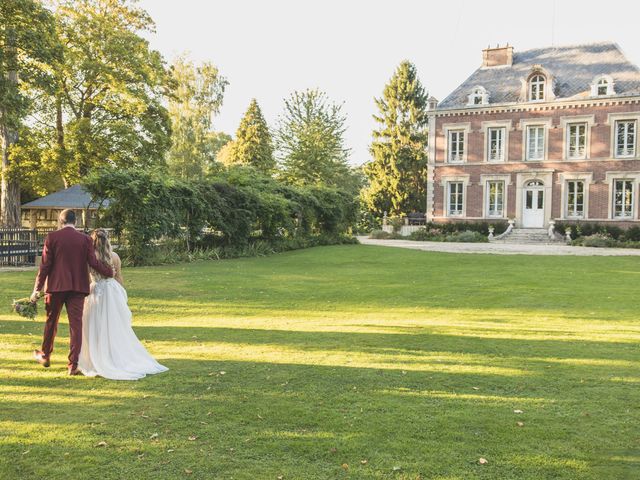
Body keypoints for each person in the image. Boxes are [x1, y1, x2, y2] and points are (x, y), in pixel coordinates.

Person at [31, 209, 114, 375]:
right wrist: (108, 271)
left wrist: (37, 289)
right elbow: (92, 262)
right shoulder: (84, 239)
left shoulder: (52, 238)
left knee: (51, 322)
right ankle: (72, 365)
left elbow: (45, 266)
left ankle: (46, 355)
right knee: (76, 326)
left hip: (55, 287)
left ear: (61, 221)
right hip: (77, 288)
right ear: (74, 221)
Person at [78, 228, 168, 380]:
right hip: (111, 292)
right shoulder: (114, 257)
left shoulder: (90, 257)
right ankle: (115, 354)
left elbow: (87, 279)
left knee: (95, 326)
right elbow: (119, 277)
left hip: (96, 291)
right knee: (114, 326)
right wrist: (120, 295)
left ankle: (97, 357)